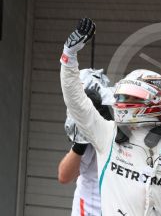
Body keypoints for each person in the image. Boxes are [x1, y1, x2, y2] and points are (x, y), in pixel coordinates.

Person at [60, 18, 161, 216]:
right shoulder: (108, 134)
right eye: (122, 96)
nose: (122, 103)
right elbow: (76, 102)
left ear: (154, 103)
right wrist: (69, 55)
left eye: (131, 98)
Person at [58, 68, 114, 216]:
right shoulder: (88, 135)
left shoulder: (120, 127)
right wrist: (80, 142)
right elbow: (64, 176)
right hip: (90, 211)